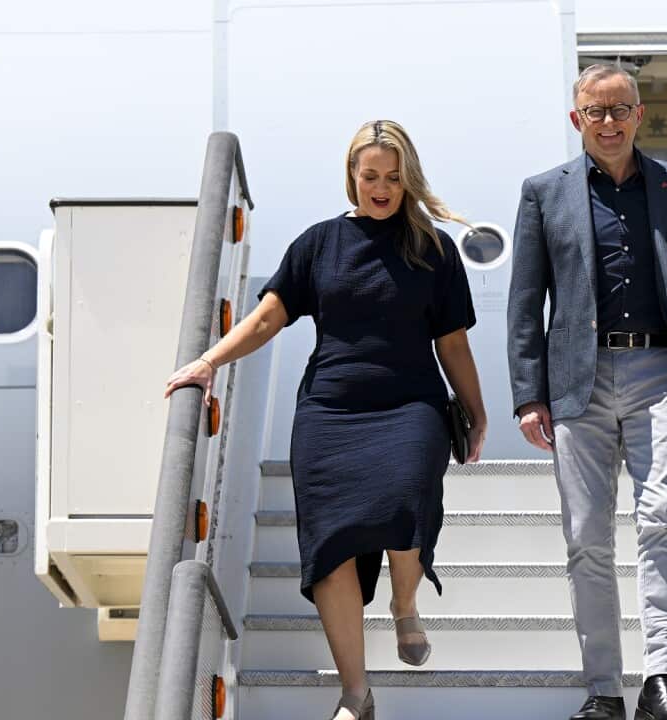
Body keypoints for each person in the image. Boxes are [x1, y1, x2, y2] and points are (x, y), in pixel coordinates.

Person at [165, 119, 487, 720]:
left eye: (394, 178)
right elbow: (266, 319)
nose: (382, 188)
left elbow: (454, 343)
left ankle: (403, 604)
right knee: (332, 547)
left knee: (406, 506)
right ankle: (356, 694)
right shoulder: (319, 244)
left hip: (411, 407)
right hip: (330, 411)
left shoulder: (434, 249)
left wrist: (475, 407)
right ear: (352, 177)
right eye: (371, 176)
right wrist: (207, 361)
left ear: (408, 179)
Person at [507, 64, 667, 720]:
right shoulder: (543, 193)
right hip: (578, 381)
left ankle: (660, 682)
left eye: (619, 110)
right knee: (587, 535)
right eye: (594, 112)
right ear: (576, 119)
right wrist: (529, 393)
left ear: (639, 114)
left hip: (661, 374)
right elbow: (526, 303)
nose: (608, 123)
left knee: (662, 518)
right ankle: (603, 690)